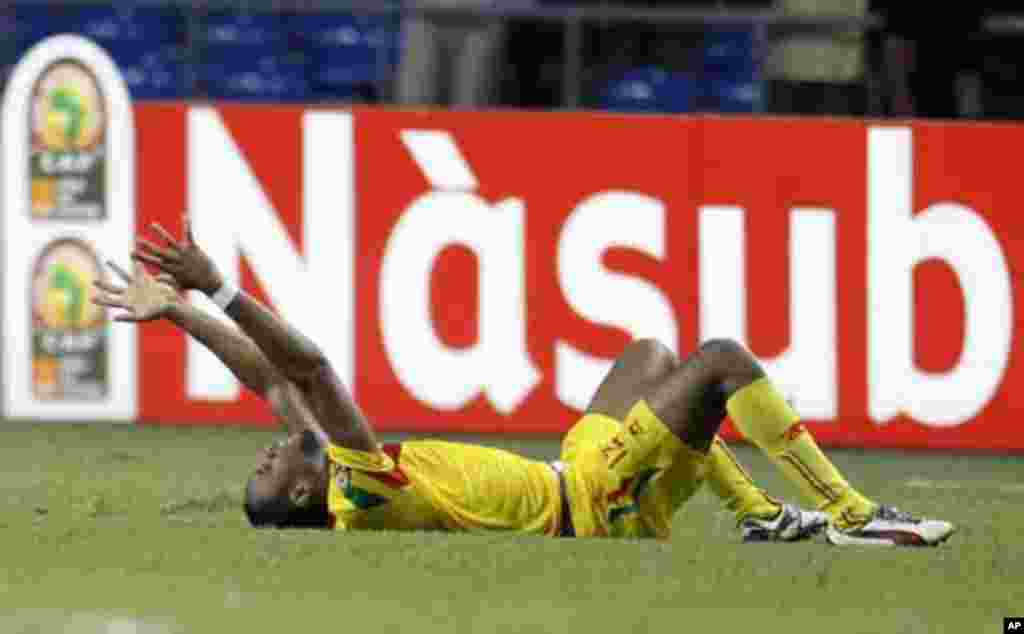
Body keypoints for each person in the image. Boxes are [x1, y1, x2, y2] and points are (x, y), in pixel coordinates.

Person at [95, 221, 955, 546]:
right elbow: (306, 369)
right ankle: (851, 515)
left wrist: (177, 316)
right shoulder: (364, 489)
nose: (274, 448)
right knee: (721, 359)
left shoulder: (348, 476)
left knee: (650, 355)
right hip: (595, 504)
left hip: (567, 472)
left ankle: (762, 517)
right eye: (269, 470)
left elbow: (275, 385)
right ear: (301, 497)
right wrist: (215, 286)